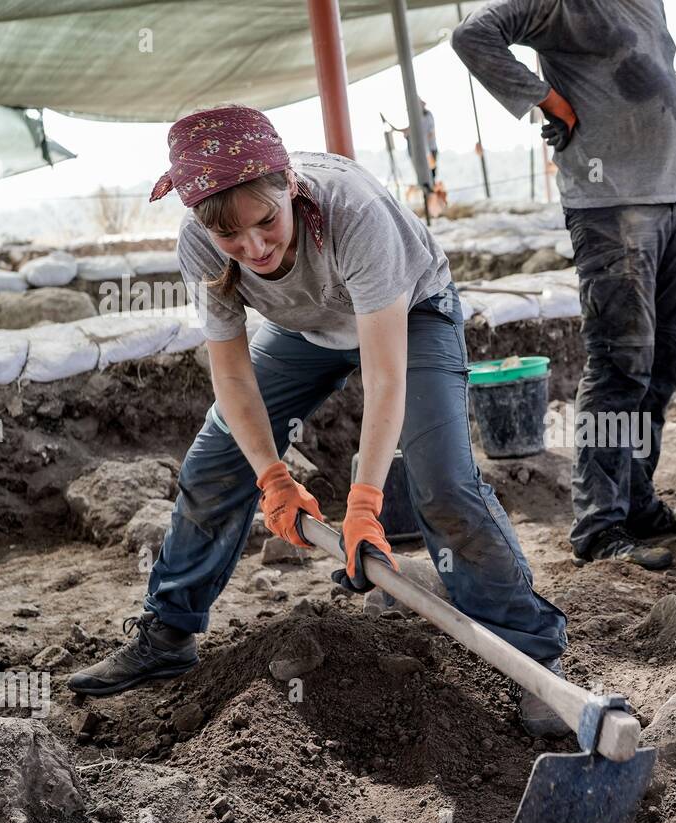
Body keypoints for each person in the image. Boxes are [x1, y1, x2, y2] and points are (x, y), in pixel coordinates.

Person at [68, 105, 570, 736]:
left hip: (409, 312)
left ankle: (533, 655)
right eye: (232, 238)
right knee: (215, 462)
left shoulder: (352, 214)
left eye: (266, 222)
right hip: (305, 329)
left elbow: (385, 375)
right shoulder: (200, 244)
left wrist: (364, 503)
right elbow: (231, 375)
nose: (253, 248)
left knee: (440, 481)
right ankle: (168, 633)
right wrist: (273, 480)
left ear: (290, 189)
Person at [452, 0, 676, 572]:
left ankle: (636, 502)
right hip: (611, 207)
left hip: (670, 198)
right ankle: (600, 525)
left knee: (663, 363)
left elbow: (652, 61)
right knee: (621, 364)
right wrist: (550, 100)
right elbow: (474, 34)